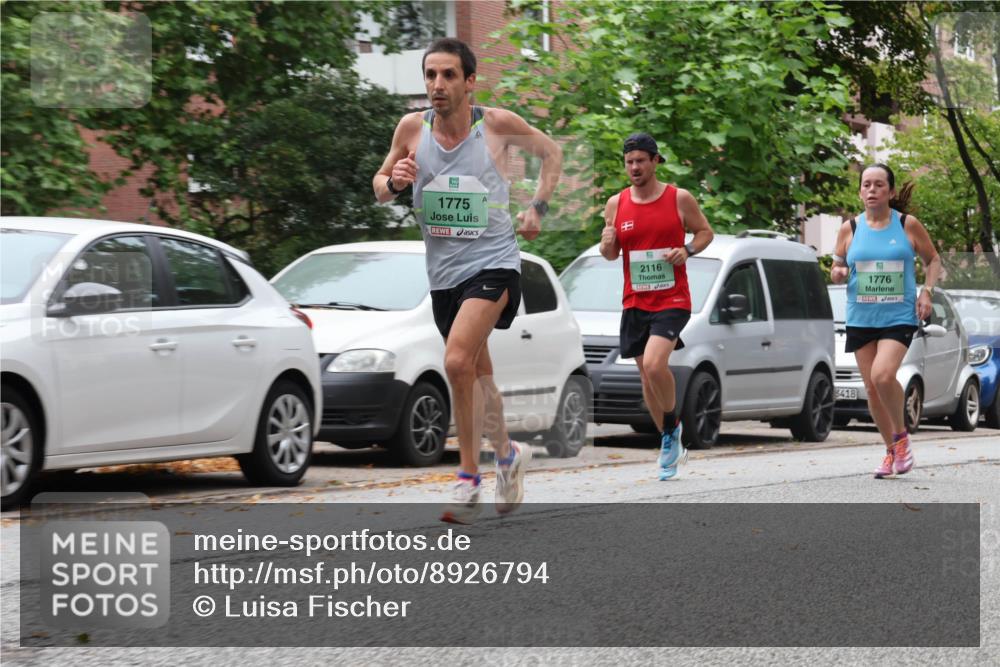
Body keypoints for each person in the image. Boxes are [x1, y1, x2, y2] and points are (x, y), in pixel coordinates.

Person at [373, 38, 562, 523]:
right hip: (443, 276)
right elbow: (379, 187)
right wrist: (394, 180)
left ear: (470, 81)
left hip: (494, 263)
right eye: (430, 75)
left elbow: (552, 153)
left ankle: (467, 478)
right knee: (478, 373)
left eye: (449, 75)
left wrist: (537, 207)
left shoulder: (495, 125)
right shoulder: (411, 129)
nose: (437, 84)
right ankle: (508, 455)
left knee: (456, 360)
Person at [599, 133, 714, 480]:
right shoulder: (616, 204)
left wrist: (687, 251)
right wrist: (606, 243)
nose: (634, 167)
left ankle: (671, 426)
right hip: (635, 300)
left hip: (672, 298)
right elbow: (611, 254)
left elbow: (705, 232)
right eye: (629, 162)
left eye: (640, 161)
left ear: (654, 161)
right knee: (646, 377)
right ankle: (670, 435)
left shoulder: (679, 198)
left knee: (654, 363)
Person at [831, 163, 941, 478]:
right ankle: (892, 451)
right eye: (866, 184)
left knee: (882, 375)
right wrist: (838, 272)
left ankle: (901, 438)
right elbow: (837, 266)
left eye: (879, 185)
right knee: (871, 388)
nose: (872, 190)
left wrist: (927, 292)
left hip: (898, 316)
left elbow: (933, 259)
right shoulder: (850, 228)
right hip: (861, 316)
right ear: (860, 191)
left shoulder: (907, 225)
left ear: (890, 191)